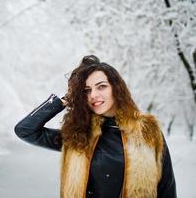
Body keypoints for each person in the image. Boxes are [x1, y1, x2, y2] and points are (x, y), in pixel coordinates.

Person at [14, 55, 176, 198]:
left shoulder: (147, 130)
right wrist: (64, 100)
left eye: (101, 86)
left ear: (116, 88)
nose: (93, 95)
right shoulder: (77, 133)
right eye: (86, 90)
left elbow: (166, 187)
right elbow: (25, 130)